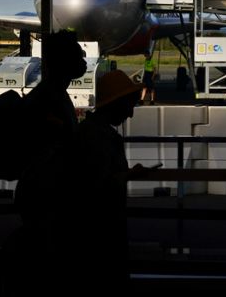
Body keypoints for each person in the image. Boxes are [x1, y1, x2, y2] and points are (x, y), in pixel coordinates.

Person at [0, 29, 87, 295]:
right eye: (77, 53)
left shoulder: (53, 94)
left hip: (45, 191)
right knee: (48, 261)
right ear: (62, 60)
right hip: (46, 194)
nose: (84, 58)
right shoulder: (48, 99)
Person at [76, 70, 152, 289]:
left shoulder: (88, 133)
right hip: (101, 230)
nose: (130, 114)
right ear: (116, 104)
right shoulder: (100, 138)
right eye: (128, 105)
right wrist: (127, 175)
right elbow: (97, 186)